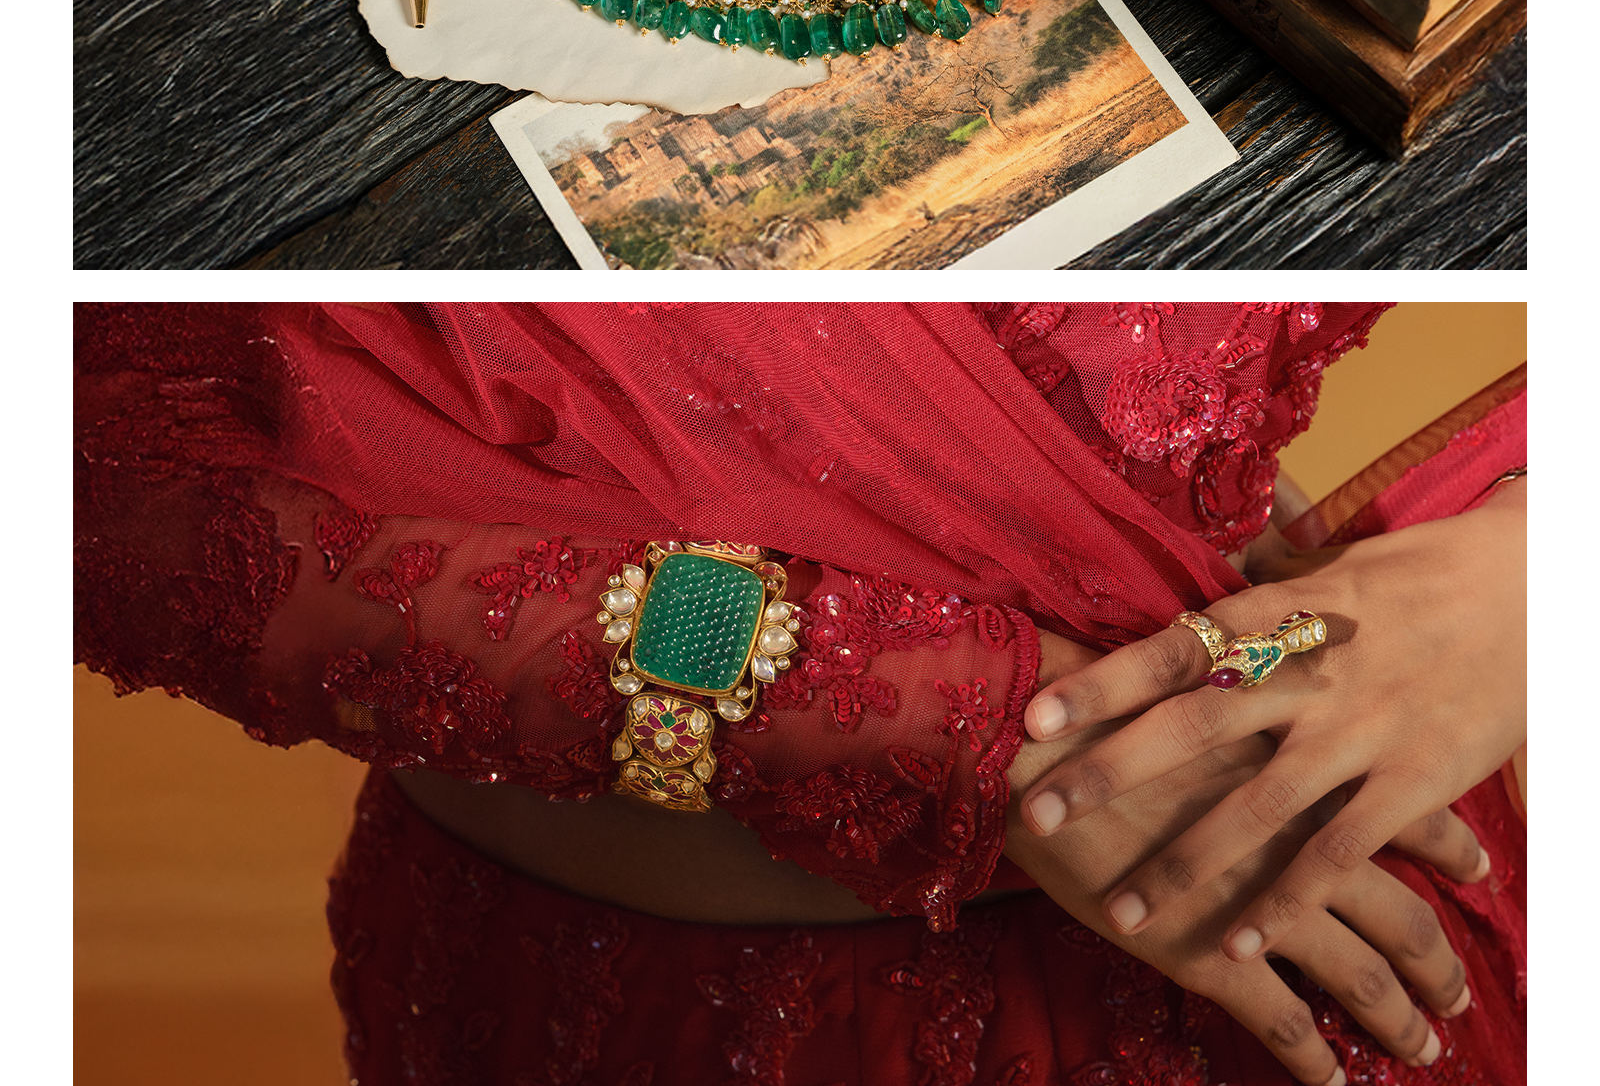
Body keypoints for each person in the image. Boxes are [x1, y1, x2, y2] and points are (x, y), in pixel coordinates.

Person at [74, 302, 1525, 1086]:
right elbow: (132, 484)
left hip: (1353, 818)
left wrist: (1528, 573)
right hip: (670, 1003)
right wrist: (964, 718)